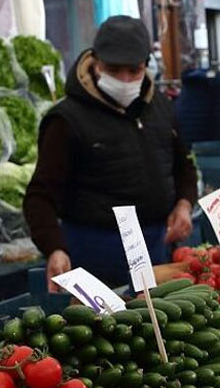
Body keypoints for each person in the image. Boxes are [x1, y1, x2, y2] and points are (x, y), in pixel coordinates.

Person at [24, 17, 196, 289]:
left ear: (146, 65)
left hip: (156, 246)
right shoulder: (66, 120)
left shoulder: (160, 106)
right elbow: (39, 197)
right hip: (95, 253)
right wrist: (54, 248)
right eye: (114, 70)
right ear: (95, 62)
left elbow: (183, 166)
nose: (125, 79)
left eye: (134, 70)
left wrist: (184, 203)